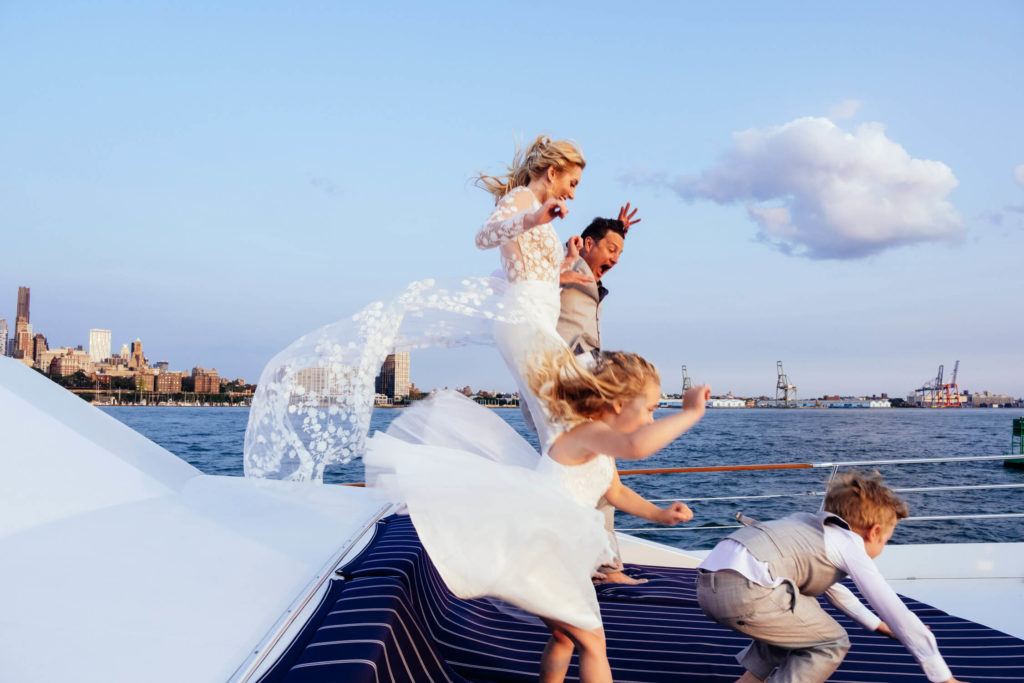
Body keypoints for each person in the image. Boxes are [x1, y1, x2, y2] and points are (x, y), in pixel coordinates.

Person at [527, 349, 712, 682]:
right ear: (618, 404)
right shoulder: (583, 434)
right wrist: (691, 412)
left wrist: (659, 514)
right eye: (651, 409)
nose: (652, 420)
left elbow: (615, 491)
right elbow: (637, 446)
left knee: (566, 637)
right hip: (544, 554)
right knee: (594, 643)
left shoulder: (598, 444)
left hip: (559, 554)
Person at [696, 470, 966, 683]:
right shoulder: (849, 544)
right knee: (830, 642)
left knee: (800, 623)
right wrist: (942, 675)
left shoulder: (810, 525)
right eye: (886, 540)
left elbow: (836, 591)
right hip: (747, 592)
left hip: (708, 583)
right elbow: (894, 608)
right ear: (873, 532)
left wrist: (876, 625)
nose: (882, 547)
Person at [474, 134, 588, 455]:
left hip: (539, 318)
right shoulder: (523, 199)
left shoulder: (540, 210)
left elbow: (536, 272)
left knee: (558, 421)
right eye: (573, 182)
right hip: (524, 318)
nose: (573, 194)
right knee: (562, 418)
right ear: (552, 173)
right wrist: (533, 218)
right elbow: (483, 237)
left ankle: (551, 493)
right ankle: (553, 497)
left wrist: (565, 262)